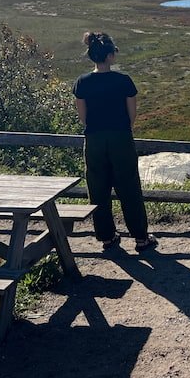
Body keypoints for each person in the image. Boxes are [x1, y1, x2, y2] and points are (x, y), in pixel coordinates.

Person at [72, 31, 156, 252]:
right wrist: (121, 128)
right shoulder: (123, 81)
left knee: (98, 188)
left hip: (94, 139)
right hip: (120, 137)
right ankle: (140, 237)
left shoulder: (82, 83)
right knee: (129, 187)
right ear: (110, 56)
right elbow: (132, 116)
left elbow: (83, 118)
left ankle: (107, 237)